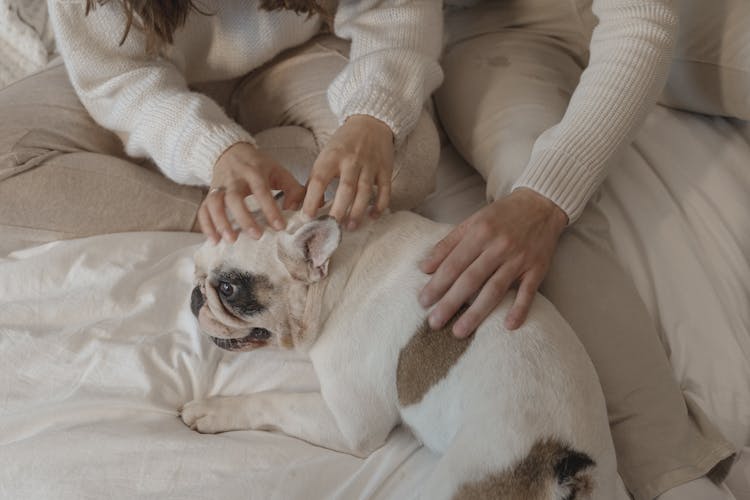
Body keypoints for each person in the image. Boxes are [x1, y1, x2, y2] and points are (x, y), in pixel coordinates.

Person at [420, 1, 737, 499]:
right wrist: (537, 197)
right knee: (523, 176)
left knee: (538, 198)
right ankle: (674, 476)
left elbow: (642, 18)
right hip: (492, 28)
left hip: (672, 13)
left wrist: (547, 201)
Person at [0, 0, 442, 243]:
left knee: (400, 166)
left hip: (298, 56)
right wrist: (215, 150)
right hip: (143, 74)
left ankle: (245, 199)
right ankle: (228, 209)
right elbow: (117, 76)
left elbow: (396, 7)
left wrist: (371, 115)